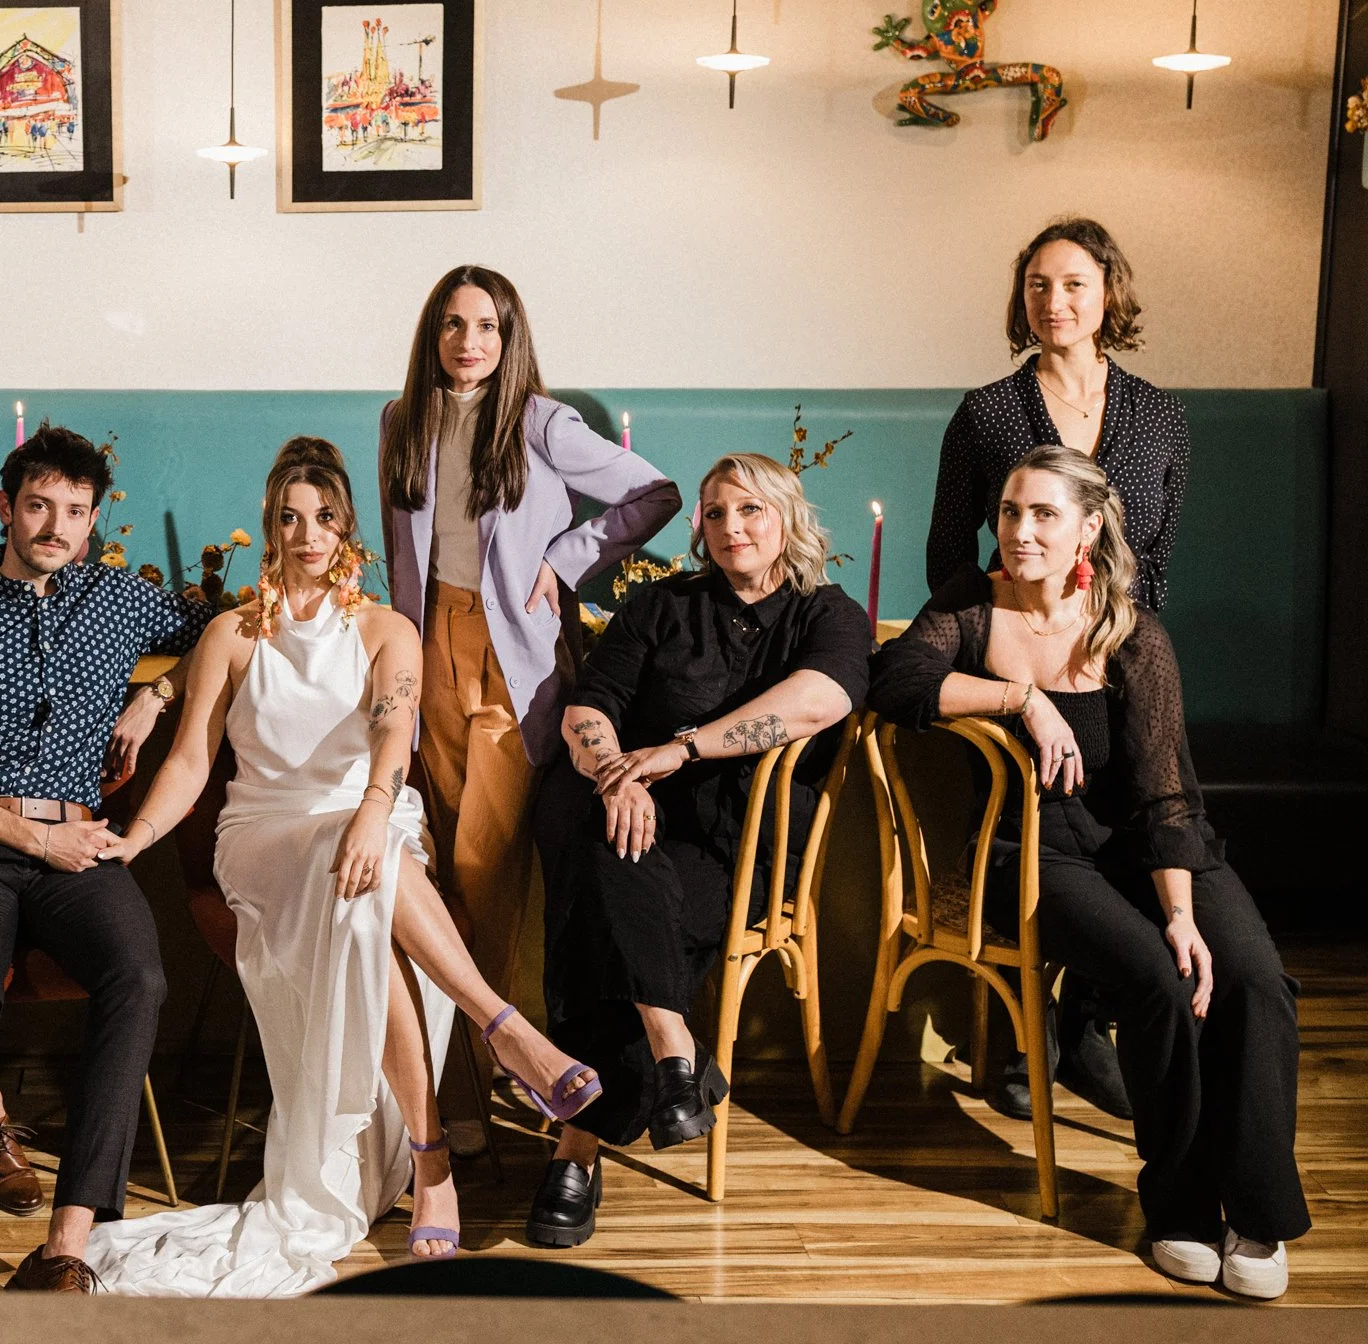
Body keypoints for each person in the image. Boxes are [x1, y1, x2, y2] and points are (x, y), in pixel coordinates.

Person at [79, 439, 600, 1295]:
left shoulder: (386, 628)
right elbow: (187, 766)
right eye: (288, 517)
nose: (305, 533)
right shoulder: (230, 636)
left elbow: (394, 731)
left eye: (323, 517)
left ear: (347, 527)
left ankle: (431, 1162)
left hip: (373, 817)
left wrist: (366, 812)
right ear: (270, 527)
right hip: (265, 837)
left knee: (369, 884)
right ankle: (503, 1029)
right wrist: (133, 838)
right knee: (357, 865)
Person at [872, 446, 1307, 1302]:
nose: (1020, 530)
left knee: (1253, 977)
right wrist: (1020, 699)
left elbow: (1165, 791)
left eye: (1042, 514)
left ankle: (1256, 1213)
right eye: (1009, 511)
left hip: (1153, 843)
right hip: (1033, 850)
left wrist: (1181, 911)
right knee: (1151, 977)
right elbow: (896, 679)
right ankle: (1179, 1205)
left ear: (1089, 527)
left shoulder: (1131, 632)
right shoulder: (971, 602)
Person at [0, 424, 210, 1293]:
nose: (57, 526)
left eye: (76, 510)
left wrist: (158, 692)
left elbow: (233, 629)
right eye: (39, 506)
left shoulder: (123, 600)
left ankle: (67, 1246)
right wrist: (35, 838)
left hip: (79, 843)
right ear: (6, 508)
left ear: (96, 516)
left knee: (139, 978)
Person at [528, 453, 870, 1250]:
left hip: (738, 849)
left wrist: (678, 751)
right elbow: (592, 702)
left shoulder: (825, 613)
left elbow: (822, 698)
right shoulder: (661, 604)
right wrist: (613, 772)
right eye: (715, 514)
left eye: (749, 510)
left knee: (605, 915)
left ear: (787, 518)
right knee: (607, 840)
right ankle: (676, 1056)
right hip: (638, 822)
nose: (729, 528)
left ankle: (577, 1147)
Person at [927, 217, 1185, 1121]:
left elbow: (1154, 562)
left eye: (1073, 284)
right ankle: (1014, 1038)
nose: (1055, 302)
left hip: (1116, 664)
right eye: (1038, 284)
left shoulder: (1158, 413)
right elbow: (947, 553)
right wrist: (1005, 636)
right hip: (1015, 664)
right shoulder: (989, 411)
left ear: (1108, 291)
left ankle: (1081, 1020)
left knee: (1144, 825)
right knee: (1038, 838)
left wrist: (1113, 652)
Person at [378, 265, 679, 1021]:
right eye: (453, 324)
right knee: (439, 850)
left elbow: (656, 494)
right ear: (432, 334)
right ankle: (453, 1069)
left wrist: (565, 559)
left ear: (508, 338)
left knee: (485, 862)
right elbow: (399, 550)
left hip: (511, 658)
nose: (468, 341)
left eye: (486, 326)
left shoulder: (541, 423)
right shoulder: (400, 420)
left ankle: (492, 1056)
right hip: (426, 650)